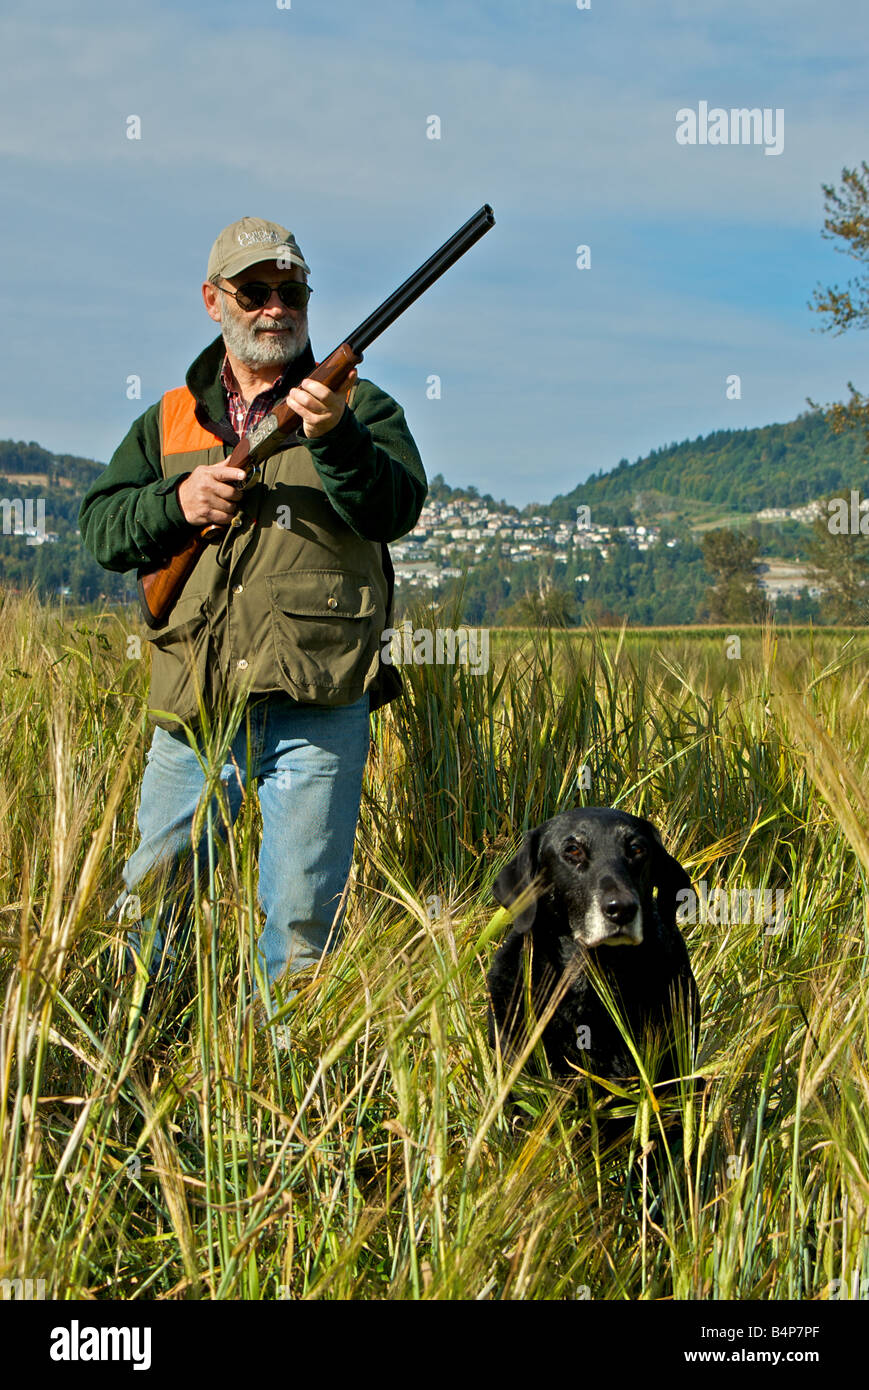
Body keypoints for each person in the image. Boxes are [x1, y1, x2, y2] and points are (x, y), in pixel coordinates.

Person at [79, 215, 426, 1010]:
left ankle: (290, 1092)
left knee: (302, 925)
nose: (276, 306)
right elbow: (101, 527)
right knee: (151, 903)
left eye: (290, 290)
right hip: (196, 708)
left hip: (319, 705)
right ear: (213, 301)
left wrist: (333, 438)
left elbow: (394, 508)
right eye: (254, 291)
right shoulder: (169, 419)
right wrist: (178, 502)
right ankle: (136, 1054)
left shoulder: (359, 406)